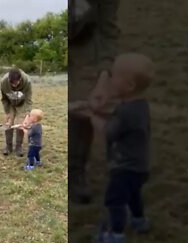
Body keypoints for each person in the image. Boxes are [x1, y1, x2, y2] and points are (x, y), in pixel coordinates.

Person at [84, 53, 154, 243]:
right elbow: (120, 122)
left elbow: (109, 131)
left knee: (115, 200)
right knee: (133, 196)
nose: (110, 80)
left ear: (129, 86)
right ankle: (139, 222)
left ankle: (116, 235)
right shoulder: (139, 106)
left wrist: (92, 116)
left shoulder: (126, 112)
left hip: (125, 167)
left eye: (114, 76)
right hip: (139, 166)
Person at [69, 0, 121, 204]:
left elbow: (108, 31)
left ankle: (75, 172)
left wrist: (103, 76)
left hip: (86, 43)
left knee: (85, 100)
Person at [1, 67, 33, 157]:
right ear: (9, 80)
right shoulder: (4, 82)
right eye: (12, 83)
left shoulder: (27, 82)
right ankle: (8, 146)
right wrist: (7, 112)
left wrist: (27, 114)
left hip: (22, 104)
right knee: (8, 124)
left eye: (16, 83)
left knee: (21, 124)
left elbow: (28, 100)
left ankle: (19, 146)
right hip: (10, 103)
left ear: (20, 79)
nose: (14, 86)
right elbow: (4, 98)